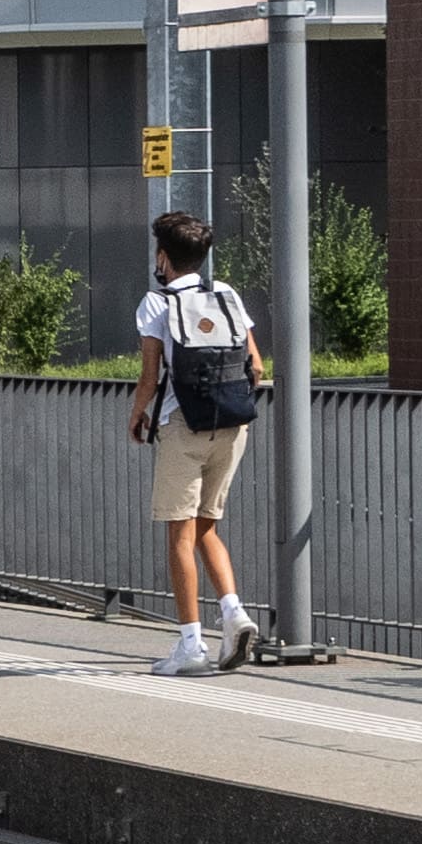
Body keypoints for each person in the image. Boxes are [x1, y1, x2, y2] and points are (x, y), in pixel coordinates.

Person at [128, 210, 265, 676]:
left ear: (163, 257)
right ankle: (234, 613)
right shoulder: (225, 294)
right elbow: (256, 365)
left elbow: (150, 376)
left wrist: (138, 413)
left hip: (182, 425)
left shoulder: (156, 303)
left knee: (180, 537)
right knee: (206, 527)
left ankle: (190, 645)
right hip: (232, 426)